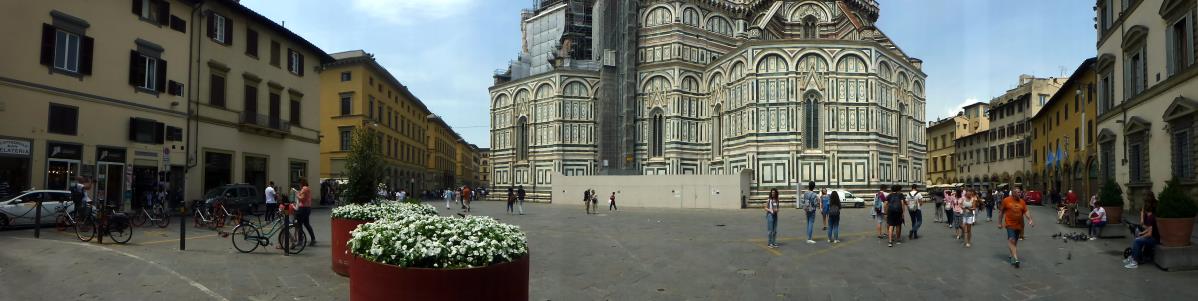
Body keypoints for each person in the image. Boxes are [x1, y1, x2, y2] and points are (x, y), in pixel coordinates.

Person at [998, 186, 1034, 268]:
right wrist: (999, 223)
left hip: (1019, 225)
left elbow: (1026, 211)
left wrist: (1030, 219)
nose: (1020, 193)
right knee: (1011, 239)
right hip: (1009, 224)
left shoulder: (1022, 202)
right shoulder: (1006, 200)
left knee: (1015, 241)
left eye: (1020, 192)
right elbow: (1001, 212)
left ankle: (1012, 254)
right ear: (1013, 193)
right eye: (1018, 192)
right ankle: (1015, 258)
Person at [1125, 195, 1158, 269]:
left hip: (1154, 239)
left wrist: (1141, 236)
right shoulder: (1151, 216)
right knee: (1138, 239)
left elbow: (1149, 234)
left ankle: (1134, 262)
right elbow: (1149, 229)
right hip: (1153, 236)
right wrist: (1142, 234)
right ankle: (1134, 257)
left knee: (1137, 241)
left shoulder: (1150, 217)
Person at [296, 178, 316, 246]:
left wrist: (297, 195)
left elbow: (302, 199)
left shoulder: (304, 189)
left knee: (299, 224)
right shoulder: (307, 188)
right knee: (306, 224)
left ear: (301, 183)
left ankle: (300, 240)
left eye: (299, 184)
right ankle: (313, 239)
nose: (299, 185)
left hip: (303, 208)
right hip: (307, 208)